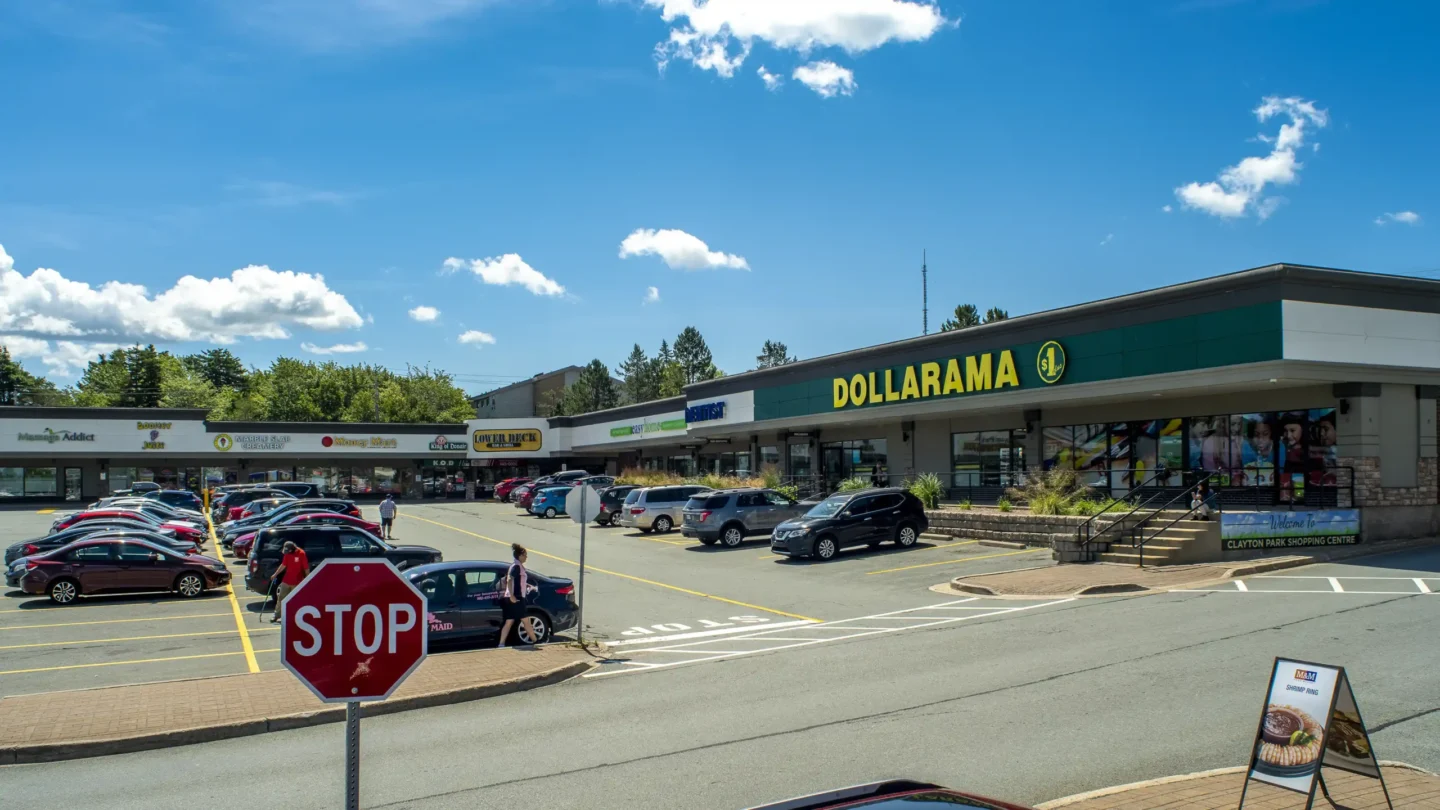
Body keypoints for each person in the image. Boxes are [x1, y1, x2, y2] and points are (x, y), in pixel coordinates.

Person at [498, 543, 537, 648]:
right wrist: (512, 596)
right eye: (525, 555)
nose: (526, 557)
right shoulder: (516, 567)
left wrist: (529, 586)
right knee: (526, 620)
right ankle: (536, 641)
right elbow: (510, 579)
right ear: (520, 556)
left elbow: (519, 581)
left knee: (509, 621)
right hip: (517, 598)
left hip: (514, 598)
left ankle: (501, 644)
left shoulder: (517, 566)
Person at [270, 540, 310, 622]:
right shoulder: (287, 554)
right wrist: (275, 574)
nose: (286, 553)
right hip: (287, 580)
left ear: (292, 549)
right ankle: (276, 615)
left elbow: (306, 568)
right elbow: (283, 565)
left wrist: (308, 579)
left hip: (297, 581)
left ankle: (289, 617)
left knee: (293, 600)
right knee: (281, 597)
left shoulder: (301, 554)